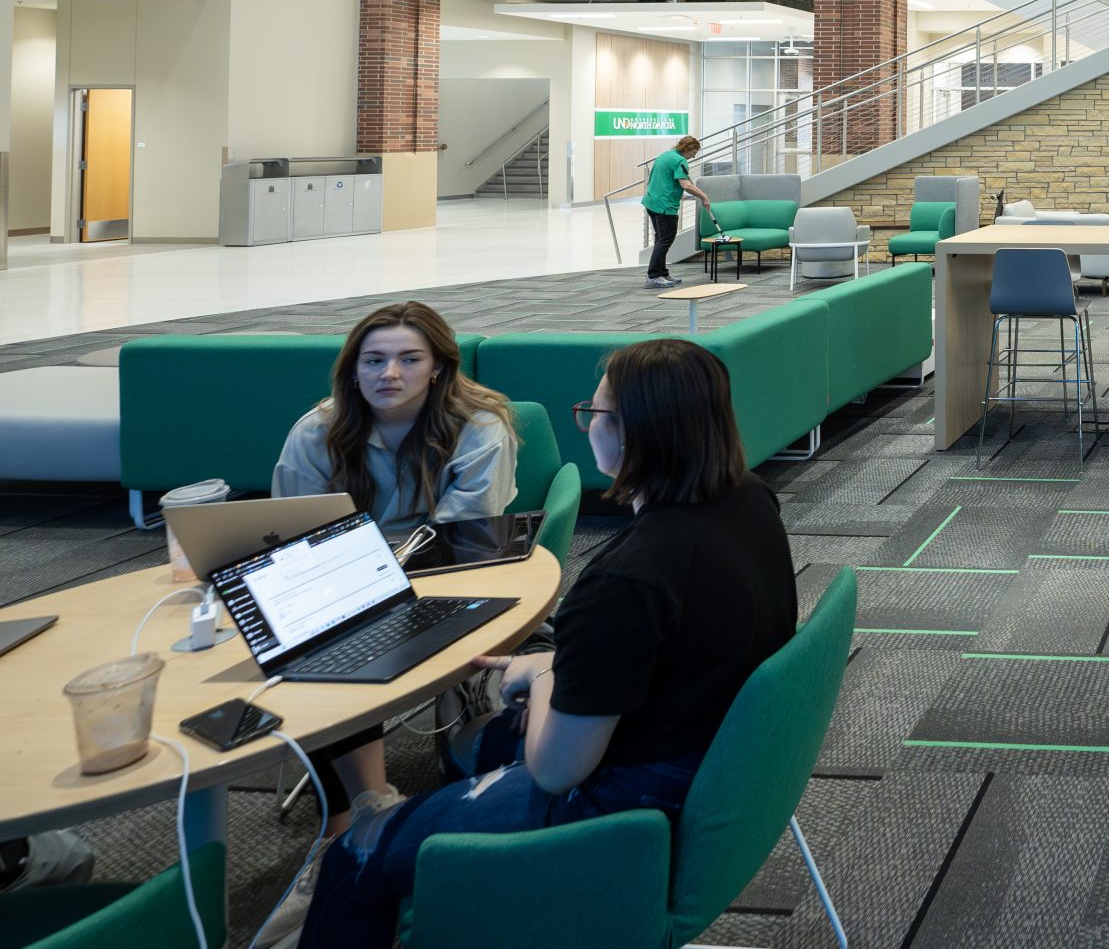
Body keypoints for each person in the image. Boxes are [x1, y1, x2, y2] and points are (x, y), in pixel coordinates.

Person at [300, 339, 796, 949]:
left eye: (596, 412)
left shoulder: (624, 579)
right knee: (470, 746)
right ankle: (486, 901)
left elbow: (559, 771)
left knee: (355, 853)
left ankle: (461, 884)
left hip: (633, 792)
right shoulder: (748, 498)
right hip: (709, 751)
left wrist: (544, 677)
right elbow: (675, 636)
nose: (588, 422)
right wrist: (564, 662)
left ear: (631, 433)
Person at [272, 304, 518, 831]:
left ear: (437, 367)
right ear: (353, 369)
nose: (389, 374)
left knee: (337, 639)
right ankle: (354, 816)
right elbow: (294, 535)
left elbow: (463, 539)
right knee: (312, 643)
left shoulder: (478, 427)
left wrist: (361, 565)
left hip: (452, 580)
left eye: (409, 359)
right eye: (374, 361)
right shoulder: (318, 431)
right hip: (347, 586)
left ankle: (359, 822)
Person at [641, 134, 714, 289]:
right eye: (693, 153)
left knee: (660, 239)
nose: (693, 157)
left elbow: (663, 179)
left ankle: (662, 273)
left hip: (652, 202)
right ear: (687, 149)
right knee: (665, 240)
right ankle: (653, 276)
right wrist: (704, 196)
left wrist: (675, 192)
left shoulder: (665, 156)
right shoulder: (680, 161)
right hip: (664, 206)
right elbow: (686, 184)